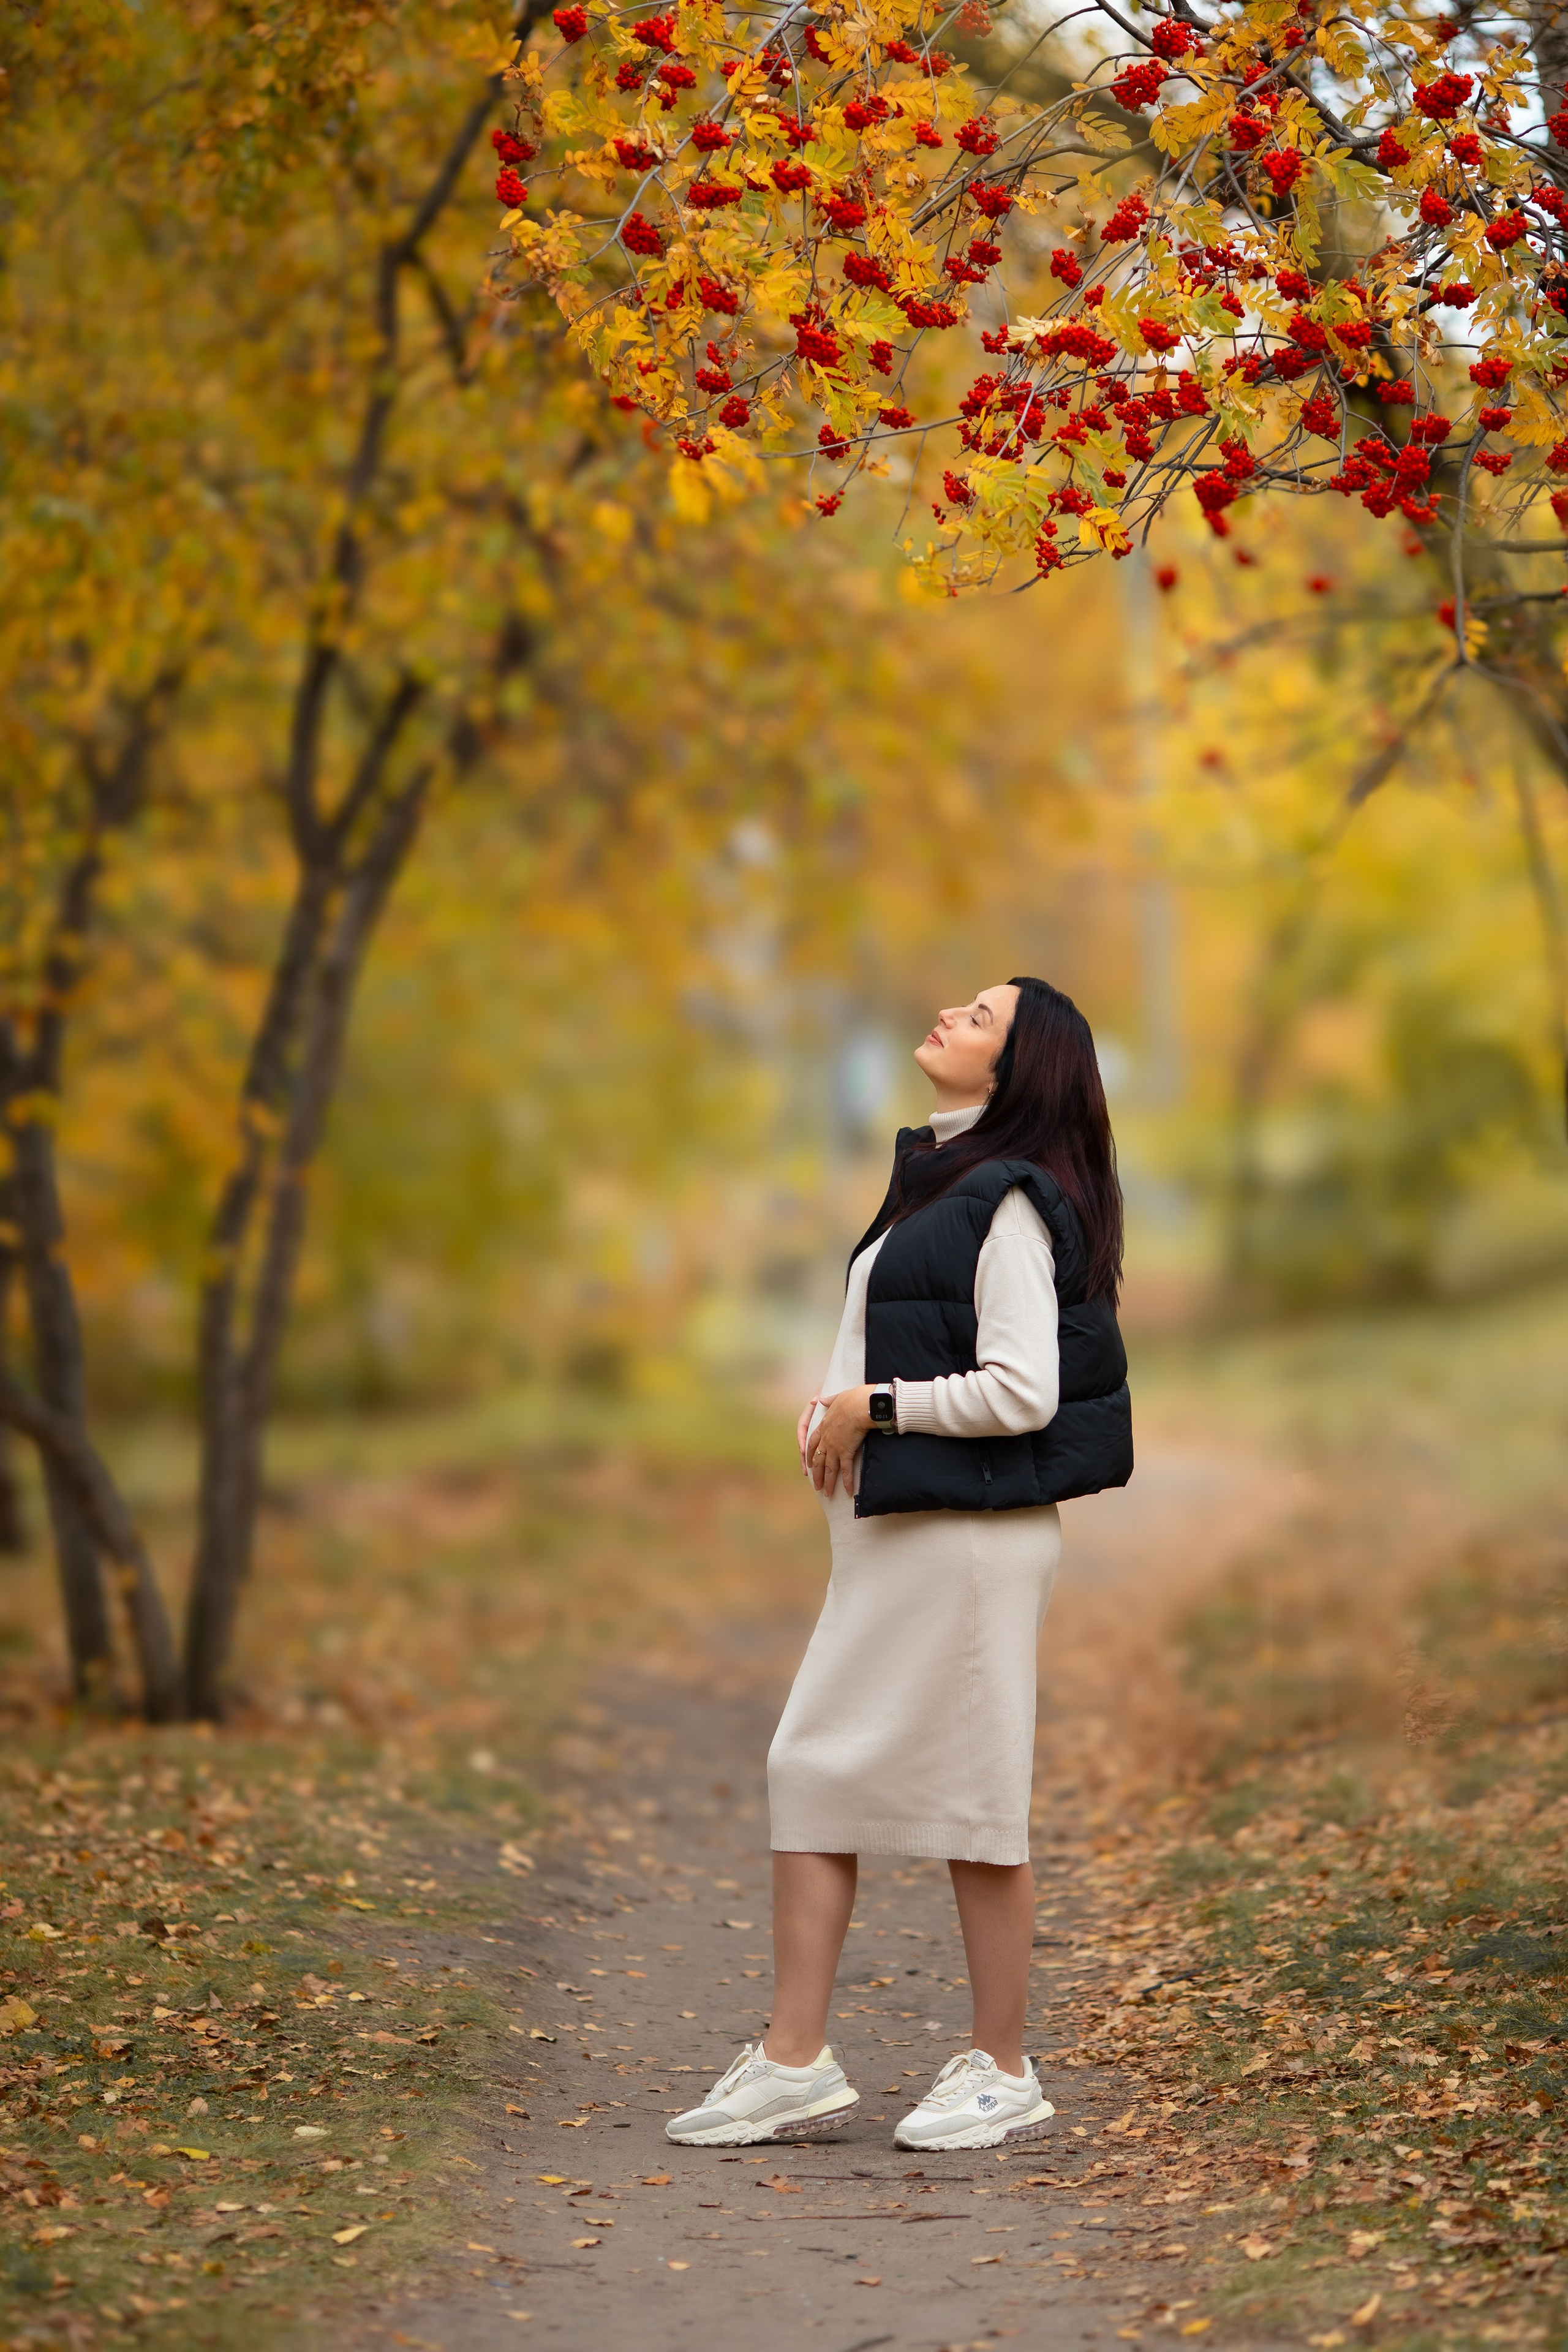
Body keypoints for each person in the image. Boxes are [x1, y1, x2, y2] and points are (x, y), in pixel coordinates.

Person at [668, 978, 1133, 2152]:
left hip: (969, 1545)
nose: (947, 1016)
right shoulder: (942, 1177)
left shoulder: (1011, 1202)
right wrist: (835, 1412)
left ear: (1019, 1068)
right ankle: (794, 2061)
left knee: (975, 1801)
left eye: (978, 1016)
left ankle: (1005, 2068)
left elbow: (1022, 1389)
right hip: (904, 1538)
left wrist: (872, 1406)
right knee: (811, 1766)